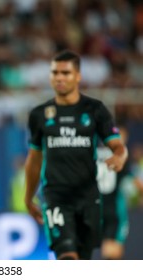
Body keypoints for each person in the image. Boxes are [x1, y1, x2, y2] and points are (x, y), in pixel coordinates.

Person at [24, 50, 128, 260]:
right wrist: (29, 197)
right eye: (55, 73)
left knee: (82, 259)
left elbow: (117, 145)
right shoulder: (40, 115)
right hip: (56, 196)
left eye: (65, 73)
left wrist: (119, 156)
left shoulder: (95, 110)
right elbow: (34, 160)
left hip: (88, 198)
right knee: (67, 256)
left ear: (78, 76)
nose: (59, 78)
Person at [96, 126, 143, 259]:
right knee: (113, 251)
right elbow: (137, 183)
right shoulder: (120, 156)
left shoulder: (94, 153)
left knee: (103, 250)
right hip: (113, 210)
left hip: (94, 209)